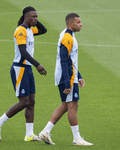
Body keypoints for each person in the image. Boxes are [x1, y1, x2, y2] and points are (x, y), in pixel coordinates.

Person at [0, 6, 47, 142]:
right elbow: (23, 51)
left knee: (31, 102)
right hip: (20, 68)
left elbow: (44, 30)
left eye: (37, 16)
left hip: (27, 69)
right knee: (23, 102)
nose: (35, 19)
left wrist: (33, 20)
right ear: (25, 17)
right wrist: (37, 64)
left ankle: (29, 135)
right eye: (33, 16)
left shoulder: (30, 30)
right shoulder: (21, 31)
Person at [38, 13, 93, 146]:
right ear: (70, 24)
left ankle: (45, 132)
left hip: (68, 75)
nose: (81, 24)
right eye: (78, 22)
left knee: (65, 106)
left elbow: (70, 60)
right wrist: (69, 83)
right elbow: (64, 61)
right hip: (66, 77)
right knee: (73, 106)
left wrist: (79, 76)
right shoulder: (67, 38)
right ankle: (77, 139)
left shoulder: (67, 34)